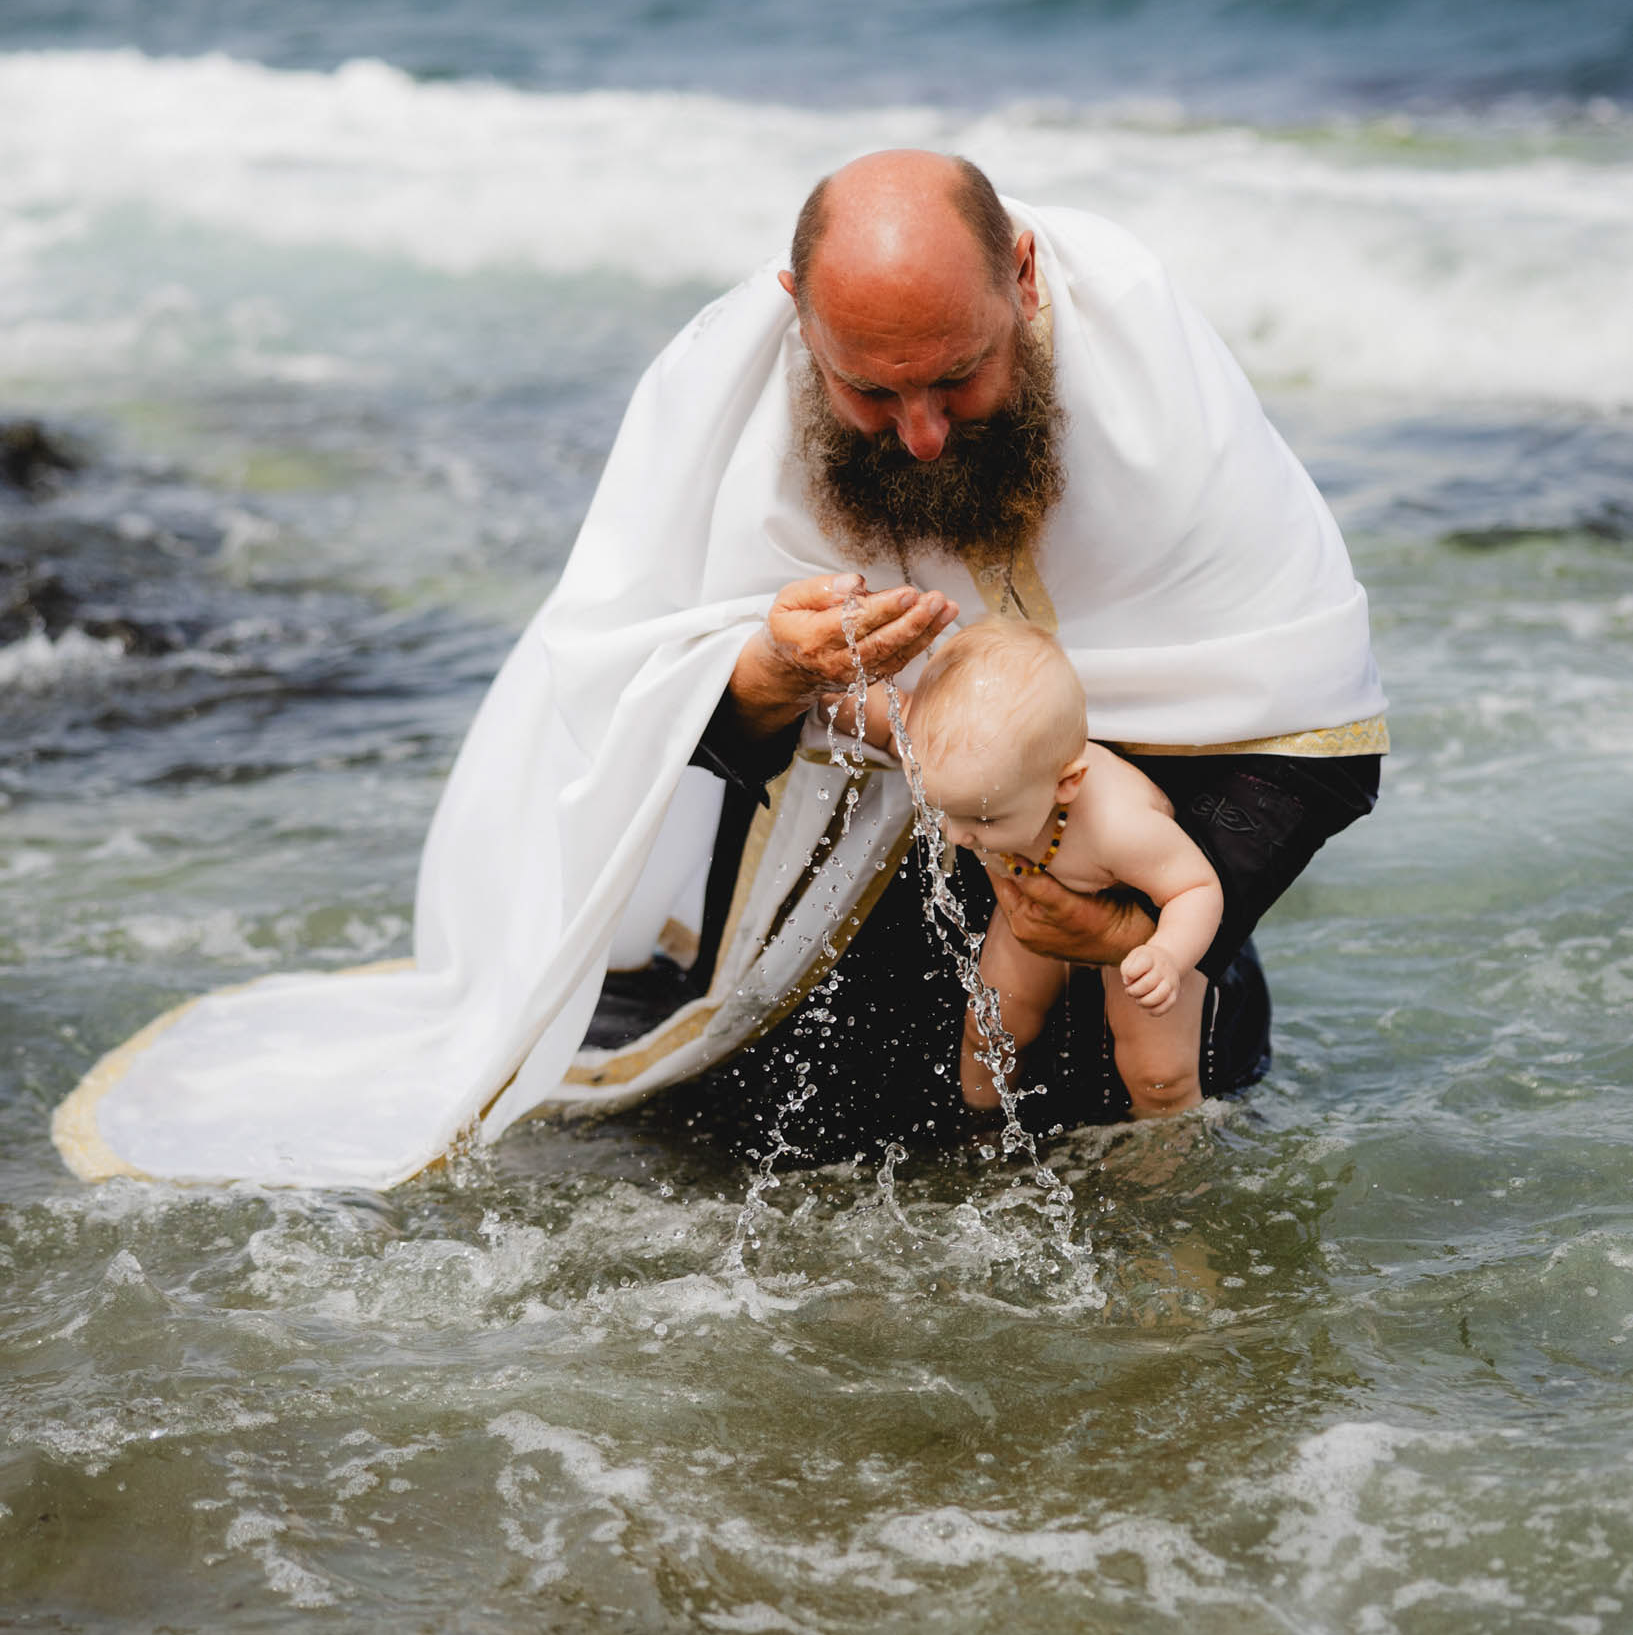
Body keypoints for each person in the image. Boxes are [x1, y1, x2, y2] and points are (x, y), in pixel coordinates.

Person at [56, 148, 1386, 1191]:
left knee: (1169, 1097)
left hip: (1129, 898)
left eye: (959, 378)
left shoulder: (1157, 384)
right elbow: (626, 693)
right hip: (836, 910)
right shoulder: (725, 403)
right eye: (872, 392)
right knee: (807, 1136)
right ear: (800, 318)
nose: (923, 433)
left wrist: (1130, 928)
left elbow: (1309, 724)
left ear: (1024, 279)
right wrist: (765, 671)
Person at [903, 617, 1224, 1120]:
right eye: (937, 810)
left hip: (1139, 929)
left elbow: (1197, 887)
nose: (957, 836)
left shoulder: (1118, 828)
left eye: (982, 819)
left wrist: (1168, 954)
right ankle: (981, 1130)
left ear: (1066, 784)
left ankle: (1169, 1155)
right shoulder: (986, 792)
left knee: (1160, 1074)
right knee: (990, 1032)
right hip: (1038, 892)